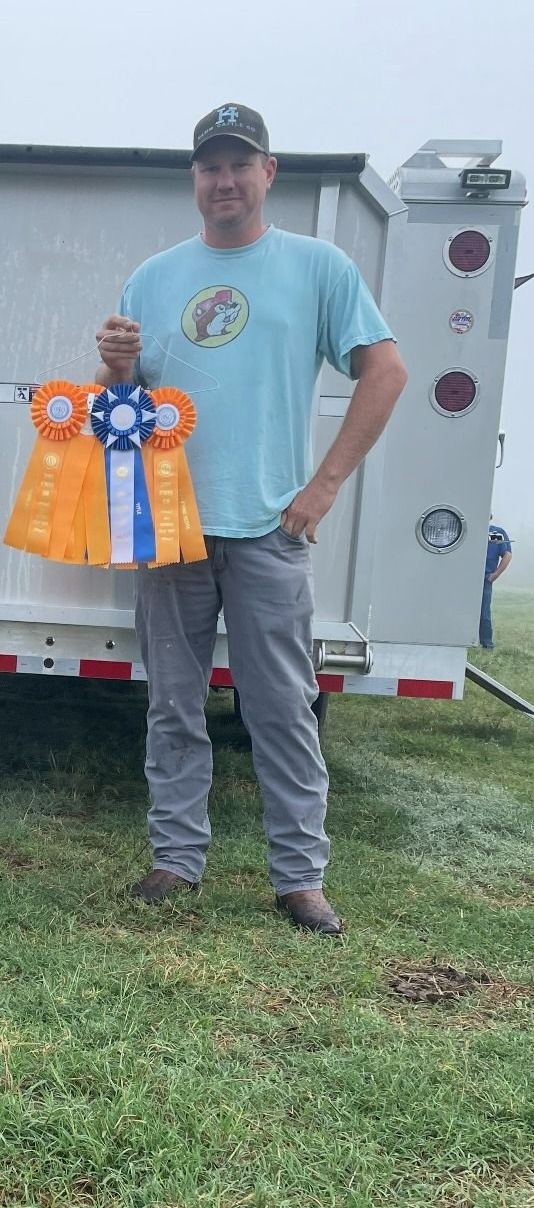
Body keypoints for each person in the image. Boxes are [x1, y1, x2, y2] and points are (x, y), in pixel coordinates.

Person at [96, 103, 408, 935]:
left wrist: (325, 485)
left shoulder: (318, 267)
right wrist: (115, 370)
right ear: (194, 177)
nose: (224, 179)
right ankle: (175, 858)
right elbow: (124, 410)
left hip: (270, 529)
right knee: (172, 702)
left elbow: (386, 371)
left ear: (269, 173)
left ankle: (299, 877)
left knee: (281, 706)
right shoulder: (153, 277)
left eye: (240, 163)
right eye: (209, 165)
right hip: (171, 529)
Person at [479, 519, 513, 650]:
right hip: (463, 578)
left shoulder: (495, 533)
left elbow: (507, 555)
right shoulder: (467, 530)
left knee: (484, 613)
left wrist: (496, 574)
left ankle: (487, 645)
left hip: (484, 579)